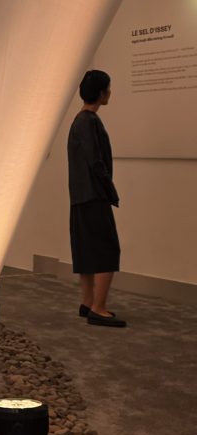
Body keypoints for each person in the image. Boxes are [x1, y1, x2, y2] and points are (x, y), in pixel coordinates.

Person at [68, 69, 126, 328]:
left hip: (81, 196)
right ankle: (98, 308)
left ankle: (88, 302)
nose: (110, 93)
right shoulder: (89, 121)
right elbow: (96, 161)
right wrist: (110, 189)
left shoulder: (79, 120)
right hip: (94, 195)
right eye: (108, 89)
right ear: (102, 93)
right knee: (106, 249)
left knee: (87, 249)